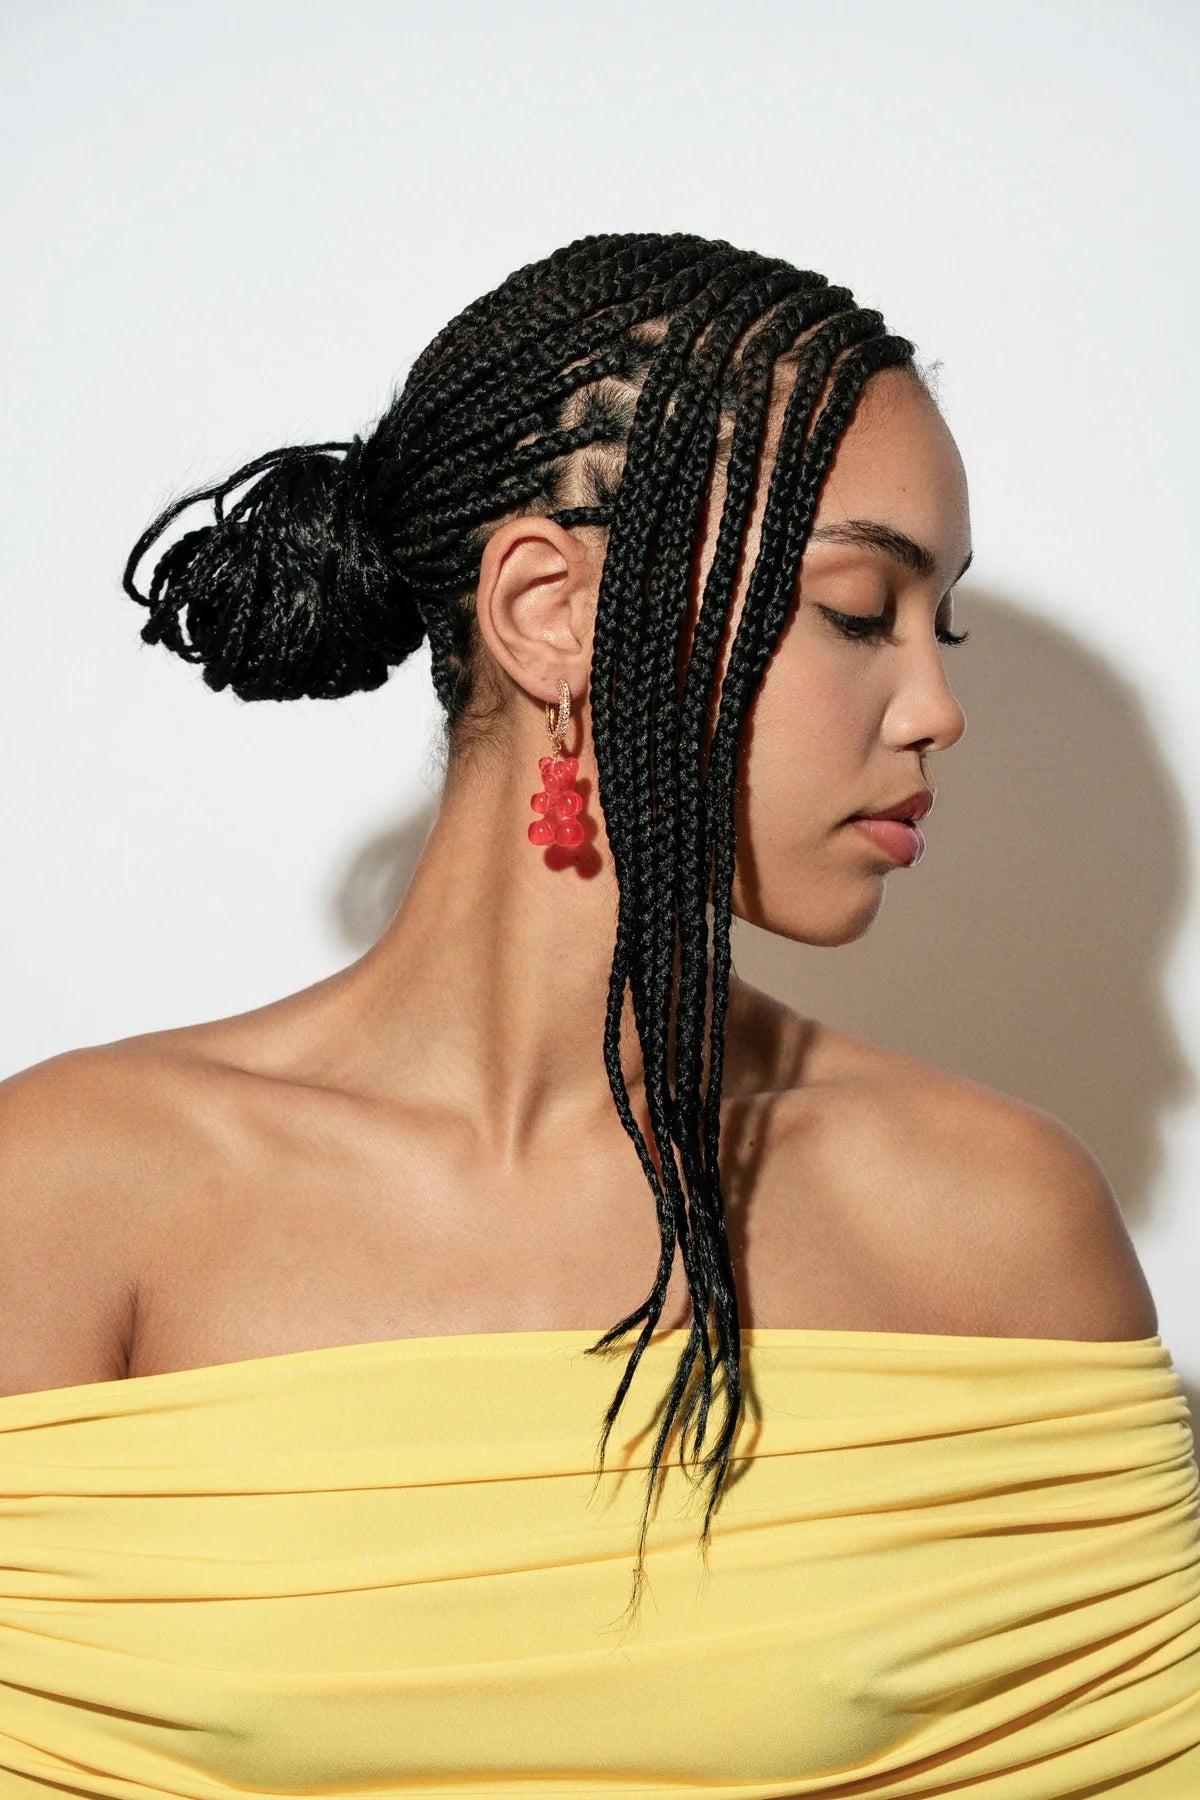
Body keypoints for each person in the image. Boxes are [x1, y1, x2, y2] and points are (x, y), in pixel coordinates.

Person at [1, 231, 1197, 1796]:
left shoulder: (991, 1218)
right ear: (549, 609)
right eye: (860, 610)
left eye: (942, 624)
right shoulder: (74, 1189)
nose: (938, 708)